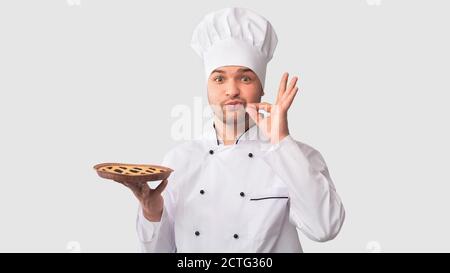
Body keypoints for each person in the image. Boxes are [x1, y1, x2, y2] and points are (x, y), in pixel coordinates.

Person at [119, 7, 345, 252]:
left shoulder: (298, 157)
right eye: (219, 79)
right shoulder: (179, 161)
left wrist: (281, 141)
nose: (232, 90)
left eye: (245, 78)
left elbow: (326, 228)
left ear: (261, 88)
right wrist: (152, 214)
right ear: (207, 87)